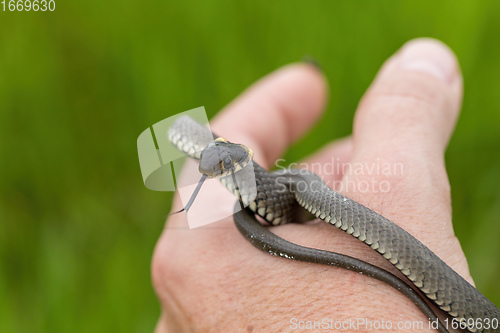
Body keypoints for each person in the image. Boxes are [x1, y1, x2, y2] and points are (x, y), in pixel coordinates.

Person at [152, 38, 469, 332]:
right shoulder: (240, 165)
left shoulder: (304, 189)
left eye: (223, 167)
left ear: (240, 160)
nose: (215, 172)